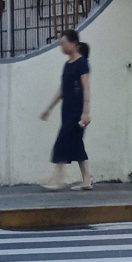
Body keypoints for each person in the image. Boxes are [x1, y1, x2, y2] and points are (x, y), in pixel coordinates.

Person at [38, 29, 93, 191]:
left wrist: (86, 112)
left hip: (77, 112)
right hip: (67, 111)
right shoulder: (67, 65)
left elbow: (86, 89)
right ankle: (86, 181)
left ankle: (58, 180)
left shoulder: (82, 63)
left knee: (61, 143)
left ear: (74, 43)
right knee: (76, 145)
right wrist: (49, 108)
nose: (61, 46)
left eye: (64, 43)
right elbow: (62, 90)